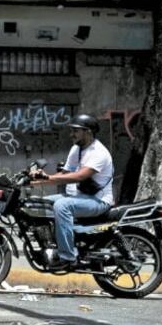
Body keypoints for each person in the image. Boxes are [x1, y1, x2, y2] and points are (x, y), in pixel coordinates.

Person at [30, 113, 114, 269]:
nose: (71, 134)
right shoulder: (77, 149)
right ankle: (50, 243)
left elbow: (79, 176)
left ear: (88, 131)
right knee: (39, 203)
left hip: (98, 201)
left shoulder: (99, 153)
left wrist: (47, 179)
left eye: (76, 130)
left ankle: (68, 257)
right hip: (79, 197)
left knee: (62, 206)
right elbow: (66, 173)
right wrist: (36, 181)